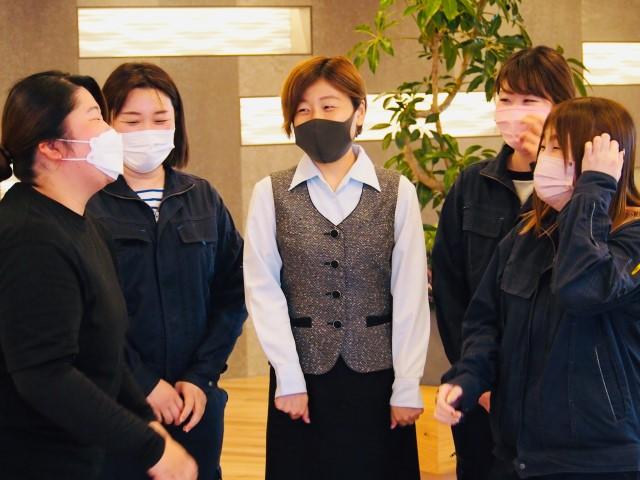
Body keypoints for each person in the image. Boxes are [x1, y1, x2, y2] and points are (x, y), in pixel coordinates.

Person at [0, 71, 197, 480]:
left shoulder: (86, 225)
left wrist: (148, 422)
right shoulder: (30, 235)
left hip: (81, 455)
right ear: (52, 147)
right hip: (35, 458)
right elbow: (44, 374)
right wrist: (152, 448)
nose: (112, 134)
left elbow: (104, 352)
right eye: (96, 119)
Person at [244, 55, 430, 480]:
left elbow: (409, 294)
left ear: (359, 111)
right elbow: (262, 288)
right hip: (302, 379)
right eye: (303, 110)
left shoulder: (397, 191)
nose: (316, 118)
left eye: (329, 106)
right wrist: (288, 377)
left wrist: (407, 383)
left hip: (378, 378)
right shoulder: (270, 193)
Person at [435, 96, 640, 479]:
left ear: (600, 161)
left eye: (558, 149)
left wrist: (594, 190)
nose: (543, 159)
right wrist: (467, 380)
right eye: (545, 147)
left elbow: (582, 288)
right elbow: (485, 324)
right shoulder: (526, 235)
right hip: (519, 454)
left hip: (601, 459)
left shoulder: (631, 237)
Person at [87, 62, 246, 480]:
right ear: (108, 126)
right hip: (117, 402)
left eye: (160, 120)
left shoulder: (203, 197)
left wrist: (201, 377)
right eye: (131, 121)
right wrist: (142, 382)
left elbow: (234, 293)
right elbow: (87, 313)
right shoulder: (89, 202)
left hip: (195, 402)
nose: (148, 131)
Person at [431, 45, 576, 479]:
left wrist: (553, 167)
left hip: (555, 390)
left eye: (530, 100)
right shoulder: (472, 183)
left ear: (560, 106)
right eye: (506, 99)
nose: (516, 112)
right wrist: (475, 376)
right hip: (479, 382)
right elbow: (451, 288)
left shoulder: (577, 188)